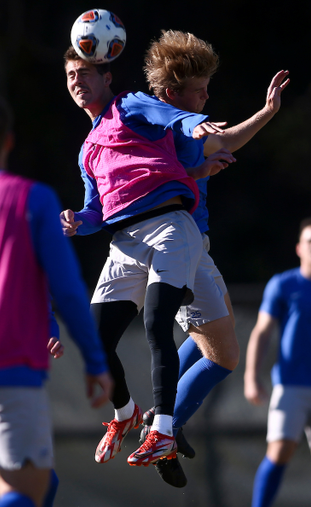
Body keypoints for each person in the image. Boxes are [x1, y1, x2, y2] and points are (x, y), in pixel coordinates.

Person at [61, 45, 236, 467]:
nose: (78, 81)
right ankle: (126, 414)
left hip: (171, 228)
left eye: (86, 73)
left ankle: (162, 431)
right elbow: (96, 211)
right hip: (124, 242)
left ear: (107, 78)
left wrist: (197, 124)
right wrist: (76, 220)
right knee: (96, 343)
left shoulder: (129, 105)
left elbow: (171, 115)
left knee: (158, 323)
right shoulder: (88, 150)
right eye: (71, 76)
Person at [137, 29, 289, 487]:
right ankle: (163, 428)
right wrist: (200, 167)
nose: (206, 97)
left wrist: (266, 112)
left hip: (187, 248)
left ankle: (161, 417)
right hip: (181, 251)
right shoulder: (173, 127)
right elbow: (206, 152)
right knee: (223, 358)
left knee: (209, 344)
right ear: (170, 93)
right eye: (198, 90)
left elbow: (220, 143)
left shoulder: (178, 123)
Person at [0, 91, 112, 507]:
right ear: (9, 140)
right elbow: (67, 289)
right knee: (29, 494)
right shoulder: (31, 199)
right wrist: (95, 361)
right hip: (5, 368)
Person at [244, 217, 311, 507]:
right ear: (299, 248)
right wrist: (251, 376)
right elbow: (262, 332)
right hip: (291, 383)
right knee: (280, 451)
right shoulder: (284, 284)